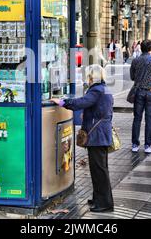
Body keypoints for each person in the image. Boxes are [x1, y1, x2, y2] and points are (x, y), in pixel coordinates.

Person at [51, 64, 114, 212]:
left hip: (97, 136)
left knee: (99, 170)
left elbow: (82, 103)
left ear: (92, 77)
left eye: (88, 76)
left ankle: (105, 204)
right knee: (99, 169)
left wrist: (62, 102)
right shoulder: (103, 88)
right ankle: (98, 198)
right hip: (101, 134)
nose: (87, 79)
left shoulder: (96, 90)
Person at [130, 40, 151, 153]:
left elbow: (132, 77)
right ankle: (148, 145)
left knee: (137, 118)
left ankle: (135, 144)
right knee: (150, 119)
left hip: (138, 92)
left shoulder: (135, 61)